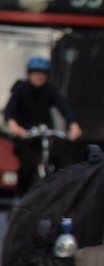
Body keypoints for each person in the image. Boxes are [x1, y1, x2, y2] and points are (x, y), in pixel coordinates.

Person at [4, 56, 82, 197]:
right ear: (29, 74)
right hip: (26, 135)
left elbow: (64, 107)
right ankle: (20, 197)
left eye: (43, 74)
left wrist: (73, 124)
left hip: (45, 132)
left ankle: (56, 197)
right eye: (36, 73)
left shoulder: (50, 89)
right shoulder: (21, 89)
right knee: (28, 164)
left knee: (58, 158)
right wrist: (14, 126)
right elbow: (9, 111)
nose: (39, 77)